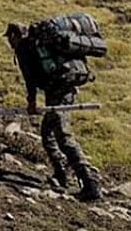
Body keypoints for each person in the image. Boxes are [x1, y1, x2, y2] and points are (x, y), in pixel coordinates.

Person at [5, 21, 102, 201]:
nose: (9, 43)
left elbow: (30, 79)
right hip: (63, 88)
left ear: (13, 36)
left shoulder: (24, 48)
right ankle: (61, 174)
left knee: (63, 137)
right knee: (47, 133)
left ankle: (90, 182)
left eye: (9, 38)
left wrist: (32, 102)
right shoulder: (39, 42)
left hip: (58, 91)